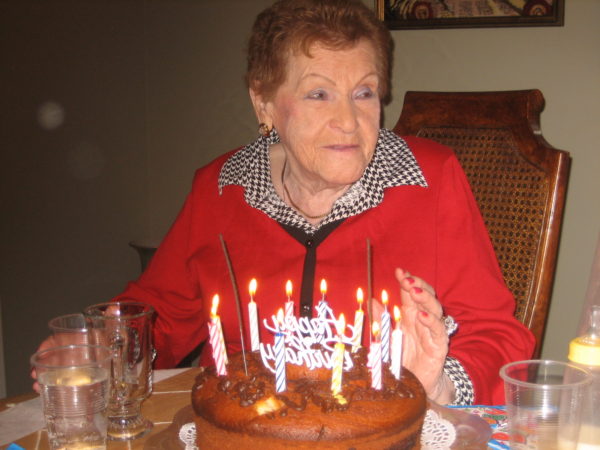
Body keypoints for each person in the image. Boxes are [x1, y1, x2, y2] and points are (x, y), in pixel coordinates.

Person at [37, 0, 535, 405]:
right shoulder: (220, 188)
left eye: (364, 93)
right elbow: (162, 313)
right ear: (265, 103)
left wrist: (436, 384)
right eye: (319, 94)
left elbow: (496, 334)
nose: (348, 120)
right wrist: (107, 345)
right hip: (241, 427)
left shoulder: (429, 179)